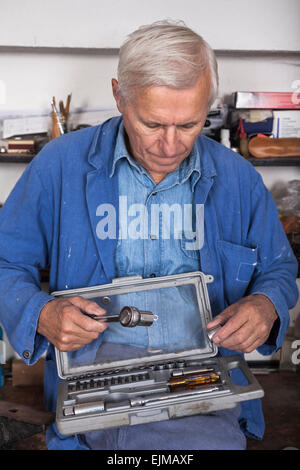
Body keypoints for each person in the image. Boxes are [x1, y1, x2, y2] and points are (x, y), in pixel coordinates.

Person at [0, 20, 298, 450]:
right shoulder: (59, 166)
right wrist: (40, 313)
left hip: (202, 375)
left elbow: (279, 268)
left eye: (190, 124)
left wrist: (266, 303)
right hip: (93, 380)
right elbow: (6, 262)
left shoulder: (238, 180)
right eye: (153, 124)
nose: (171, 145)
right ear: (120, 96)